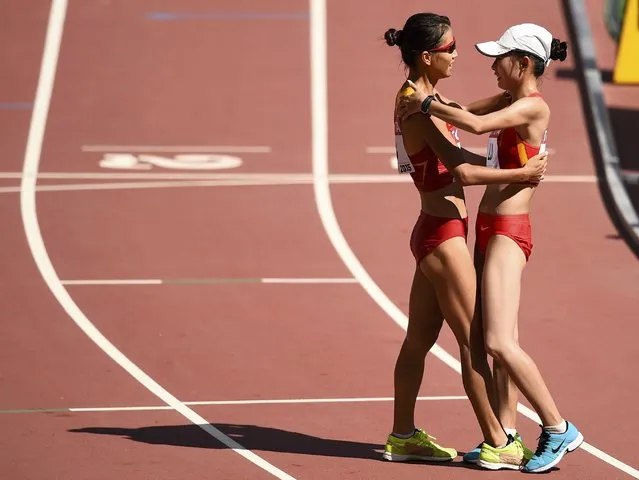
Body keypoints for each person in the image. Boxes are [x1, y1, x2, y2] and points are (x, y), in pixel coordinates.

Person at [396, 23, 584, 473]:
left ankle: (557, 428)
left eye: (499, 58)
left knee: (495, 341)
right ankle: (505, 431)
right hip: (483, 226)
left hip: (506, 230)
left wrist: (422, 101)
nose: (488, 64)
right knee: (496, 339)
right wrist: (428, 103)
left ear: (523, 63)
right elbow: (464, 110)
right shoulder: (513, 102)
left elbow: (474, 125)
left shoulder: (531, 109)